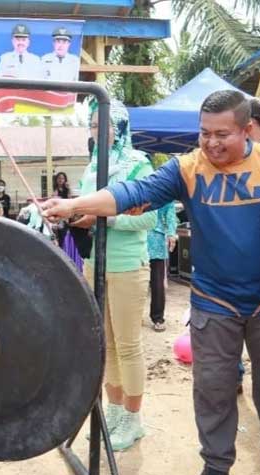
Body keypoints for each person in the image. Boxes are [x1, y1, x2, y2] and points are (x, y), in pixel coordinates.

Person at [43, 90, 260, 475]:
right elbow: (133, 193)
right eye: (205, 133)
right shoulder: (186, 168)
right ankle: (216, 465)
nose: (211, 142)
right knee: (213, 390)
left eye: (222, 134)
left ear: (247, 129)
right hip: (213, 301)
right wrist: (74, 205)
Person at [73, 98, 157, 451]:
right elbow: (83, 209)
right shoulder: (92, 167)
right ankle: (114, 409)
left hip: (127, 266)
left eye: (102, 125)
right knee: (104, 345)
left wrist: (104, 219)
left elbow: (148, 219)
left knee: (128, 345)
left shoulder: (138, 165)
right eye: (92, 125)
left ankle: (133, 418)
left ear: (119, 126)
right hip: (95, 264)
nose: (95, 132)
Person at [147, 201, 178, 332]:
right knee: (156, 281)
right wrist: (171, 233)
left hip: (153, 240)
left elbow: (170, 210)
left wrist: (171, 233)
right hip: (145, 239)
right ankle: (157, 318)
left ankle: (158, 317)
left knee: (156, 282)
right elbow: (170, 212)